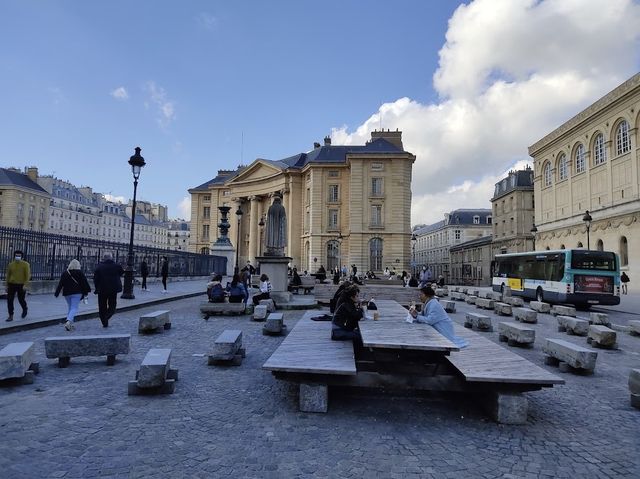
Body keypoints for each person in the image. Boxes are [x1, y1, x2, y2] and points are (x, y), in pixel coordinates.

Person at [54, 259, 91, 331]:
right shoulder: (80, 273)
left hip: (67, 293)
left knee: (70, 308)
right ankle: (68, 321)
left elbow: (60, 284)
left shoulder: (65, 273)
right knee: (74, 308)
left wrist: (57, 293)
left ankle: (70, 325)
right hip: (77, 293)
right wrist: (87, 291)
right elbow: (84, 283)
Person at [93, 253, 124, 328]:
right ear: (111, 258)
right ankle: (107, 316)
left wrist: (97, 287)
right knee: (112, 305)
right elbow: (121, 273)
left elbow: (95, 279)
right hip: (113, 289)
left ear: (103, 258)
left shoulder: (99, 267)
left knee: (102, 306)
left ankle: (104, 321)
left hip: (102, 289)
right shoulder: (116, 266)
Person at [5, 250, 30, 322]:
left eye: (19, 256)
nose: (17, 257)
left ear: (22, 257)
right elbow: (8, 275)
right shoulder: (11, 264)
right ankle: (10, 316)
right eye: (16, 255)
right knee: (9, 300)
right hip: (11, 284)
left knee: (21, 299)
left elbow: (27, 275)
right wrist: (7, 285)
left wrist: (25, 285)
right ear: (14, 256)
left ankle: (25, 309)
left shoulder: (26, 264)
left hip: (21, 285)